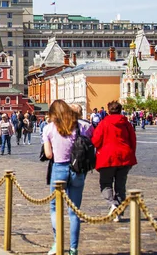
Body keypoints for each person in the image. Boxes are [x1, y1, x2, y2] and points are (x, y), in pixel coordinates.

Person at [43, 100, 93, 255]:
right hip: (77, 170)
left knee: (54, 208)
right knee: (74, 211)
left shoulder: (49, 128)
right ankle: (73, 248)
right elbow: (91, 142)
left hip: (59, 169)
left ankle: (57, 243)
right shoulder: (82, 126)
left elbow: (48, 154)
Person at [92, 101, 137, 222]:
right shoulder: (126, 123)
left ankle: (112, 204)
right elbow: (133, 140)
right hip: (124, 156)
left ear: (108, 110)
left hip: (107, 157)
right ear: (120, 110)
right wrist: (131, 154)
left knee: (106, 183)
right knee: (120, 185)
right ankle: (119, 210)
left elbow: (95, 141)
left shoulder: (104, 123)